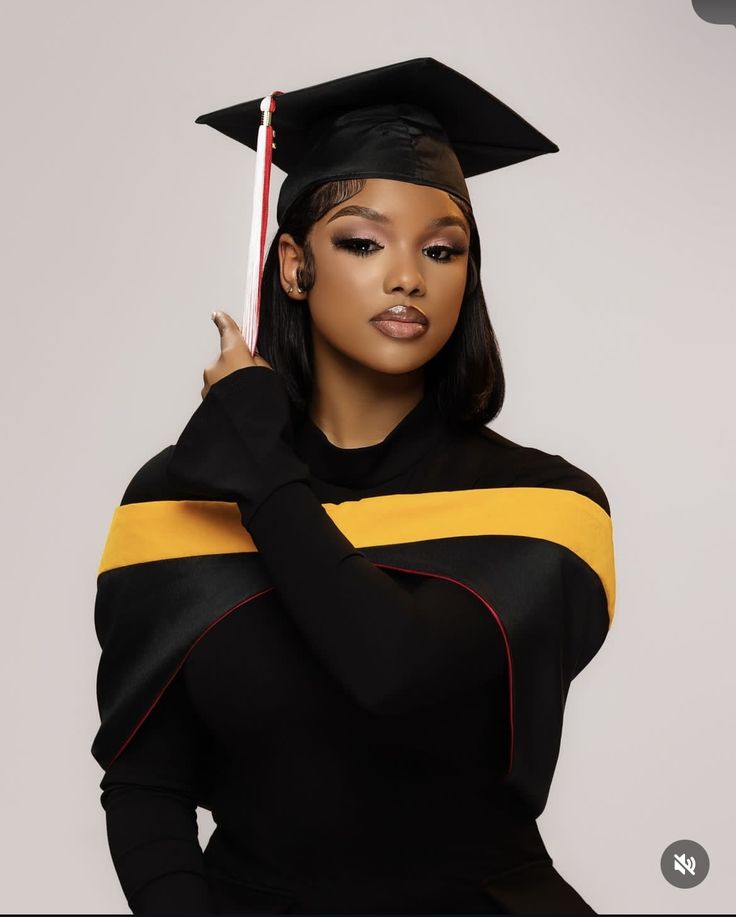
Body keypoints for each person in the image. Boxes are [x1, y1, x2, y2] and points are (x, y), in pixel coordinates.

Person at [91, 58, 616, 915]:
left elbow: (392, 669)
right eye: (364, 242)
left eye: (441, 249)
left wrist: (260, 468)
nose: (408, 276)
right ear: (294, 267)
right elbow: (146, 782)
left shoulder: (546, 508)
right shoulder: (175, 504)